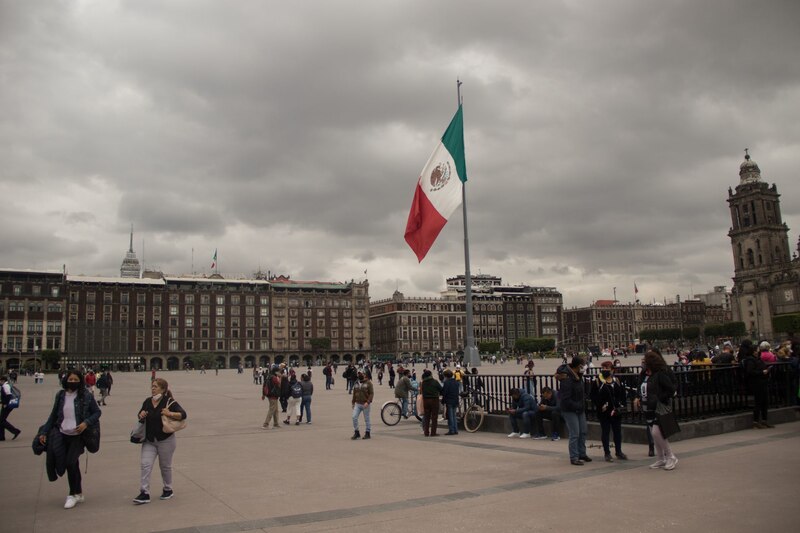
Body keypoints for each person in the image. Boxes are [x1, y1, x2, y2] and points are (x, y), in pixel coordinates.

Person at [37, 371, 101, 509]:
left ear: (80, 381)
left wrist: (86, 423)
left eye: (76, 379)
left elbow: (97, 412)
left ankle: (72, 494)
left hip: (78, 435)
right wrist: (44, 431)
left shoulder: (86, 396)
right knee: (72, 465)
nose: (72, 381)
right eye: (70, 379)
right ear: (66, 380)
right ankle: (79, 492)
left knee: (70, 463)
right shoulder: (61, 396)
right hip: (62, 433)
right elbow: (53, 415)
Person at [133, 378, 187, 504]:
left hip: (166, 440)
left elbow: (183, 414)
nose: (152, 388)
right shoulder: (147, 401)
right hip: (149, 440)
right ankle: (144, 493)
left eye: (155, 386)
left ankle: (168, 489)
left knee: (165, 467)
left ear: (163, 389)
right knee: (145, 465)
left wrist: (170, 413)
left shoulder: (169, 401)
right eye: (152, 386)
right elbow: (140, 414)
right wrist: (141, 415)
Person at [636, 351, 678, 470]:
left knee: (656, 432)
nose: (643, 362)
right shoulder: (644, 374)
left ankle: (670, 456)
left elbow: (671, 389)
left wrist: (660, 398)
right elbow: (640, 386)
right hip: (647, 406)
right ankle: (660, 458)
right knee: (653, 434)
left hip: (658, 407)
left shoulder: (660, 374)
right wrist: (638, 397)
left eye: (645, 360)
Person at [590, 361, 629, 461]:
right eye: (602, 368)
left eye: (607, 368)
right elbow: (592, 396)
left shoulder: (617, 381)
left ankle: (619, 451)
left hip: (616, 411)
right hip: (604, 412)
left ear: (612, 370)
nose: (604, 370)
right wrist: (600, 405)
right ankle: (607, 453)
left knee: (617, 432)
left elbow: (622, 395)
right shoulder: (598, 382)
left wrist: (622, 405)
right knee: (605, 432)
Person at [559, 356, 592, 466]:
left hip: (579, 408)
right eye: (583, 365)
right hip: (569, 410)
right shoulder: (567, 379)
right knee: (575, 433)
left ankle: (582, 453)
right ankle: (574, 456)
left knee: (583, 431)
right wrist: (577, 405)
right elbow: (565, 398)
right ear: (578, 366)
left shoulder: (579, 376)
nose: (584, 367)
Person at [740, 339, 773, 429]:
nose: (757, 352)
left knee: (765, 402)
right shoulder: (750, 360)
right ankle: (756, 421)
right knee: (758, 402)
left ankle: (764, 420)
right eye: (755, 351)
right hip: (756, 383)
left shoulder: (758, 359)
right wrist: (762, 372)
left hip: (762, 382)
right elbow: (750, 372)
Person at [419, 369, 443, 437]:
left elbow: (421, 391)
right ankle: (433, 432)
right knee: (434, 417)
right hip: (434, 400)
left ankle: (426, 432)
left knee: (427, 417)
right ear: (430, 375)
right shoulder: (434, 381)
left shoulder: (423, 382)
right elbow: (441, 389)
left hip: (425, 400)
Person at [351, 371, 374, 440]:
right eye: (359, 374)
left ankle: (367, 432)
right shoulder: (356, 383)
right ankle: (357, 432)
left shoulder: (369, 383)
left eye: (362, 374)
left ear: (365, 375)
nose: (360, 375)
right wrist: (353, 402)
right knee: (354, 417)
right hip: (357, 403)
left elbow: (371, 393)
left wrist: (368, 402)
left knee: (367, 419)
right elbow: (354, 393)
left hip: (365, 404)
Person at [0, 375, 21, 441]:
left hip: (7, 405)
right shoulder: (5, 385)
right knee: (1, 421)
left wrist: (5, 403)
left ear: (3, 381)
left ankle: (15, 431)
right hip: (6, 404)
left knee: (1, 420)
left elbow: (9, 395)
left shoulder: (5, 386)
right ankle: (1, 437)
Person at [441, 369, 460, 435]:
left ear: (445, 376)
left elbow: (444, 392)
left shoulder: (447, 382)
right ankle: (456, 429)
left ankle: (451, 430)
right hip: (455, 400)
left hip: (449, 400)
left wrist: (443, 401)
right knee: (454, 416)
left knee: (450, 416)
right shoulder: (456, 382)